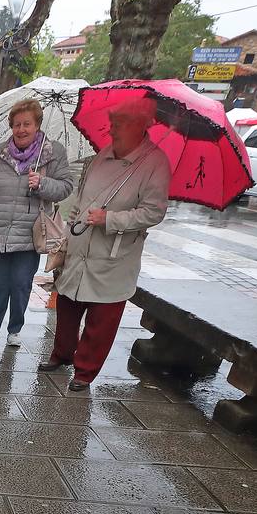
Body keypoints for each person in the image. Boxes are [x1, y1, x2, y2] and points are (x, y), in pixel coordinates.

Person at [41, 96, 171, 392]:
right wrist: (69, 230)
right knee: (67, 304)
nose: (113, 130)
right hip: (81, 244)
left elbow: (154, 212)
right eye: (113, 123)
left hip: (113, 253)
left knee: (102, 318)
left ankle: (85, 371)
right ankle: (62, 354)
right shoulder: (103, 155)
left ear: (141, 125)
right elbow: (82, 197)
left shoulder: (155, 163)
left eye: (121, 124)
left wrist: (110, 219)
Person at [0, 98, 74, 346]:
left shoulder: (52, 153)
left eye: (27, 124)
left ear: (37, 124)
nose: (21, 129)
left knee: (20, 283)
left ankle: (15, 328)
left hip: (30, 232)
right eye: (16, 124)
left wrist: (43, 184)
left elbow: (67, 187)